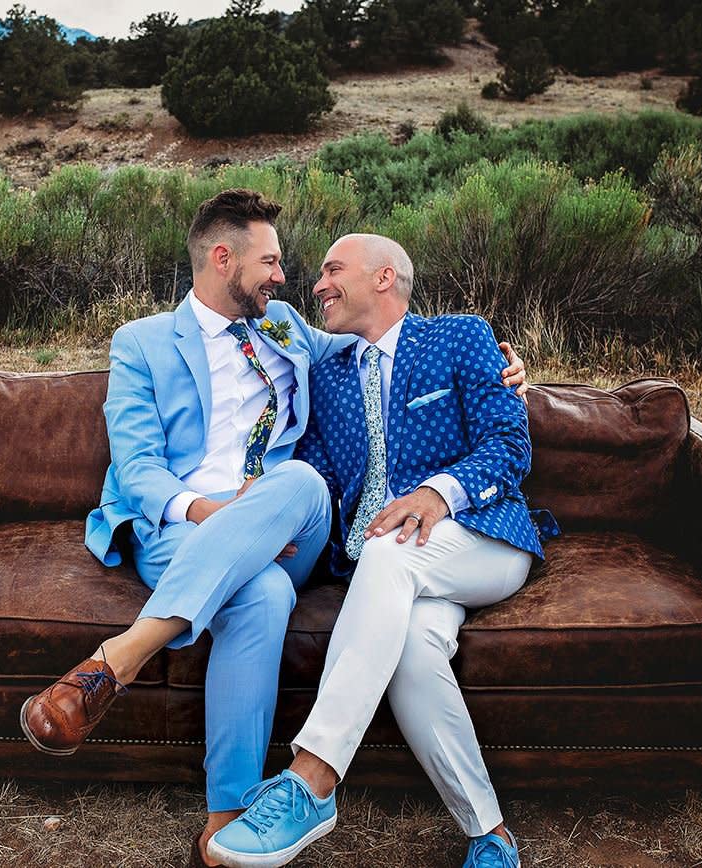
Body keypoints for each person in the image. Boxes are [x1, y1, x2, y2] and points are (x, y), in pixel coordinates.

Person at [20, 193, 526, 867]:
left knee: (301, 481)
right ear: (222, 259)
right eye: (272, 262)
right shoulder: (141, 343)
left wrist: (511, 376)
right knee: (261, 596)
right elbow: (137, 470)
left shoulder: (287, 326)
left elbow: (393, 351)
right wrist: (211, 512)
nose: (288, 279)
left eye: (302, 267)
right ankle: (228, 816)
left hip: (313, 522)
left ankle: (122, 659)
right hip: (189, 524)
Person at [207, 234, 558, 868]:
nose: (317, 285)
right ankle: (491, 833)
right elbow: (314, 469)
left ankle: (312, 778)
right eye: (317, 275)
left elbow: (510, 447)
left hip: (480, 537)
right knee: (414, 655)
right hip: (387, 567)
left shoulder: (460, 337)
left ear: (385, 277)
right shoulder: (330, 372)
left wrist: (436, 493)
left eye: (333, 270)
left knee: (390, 551)